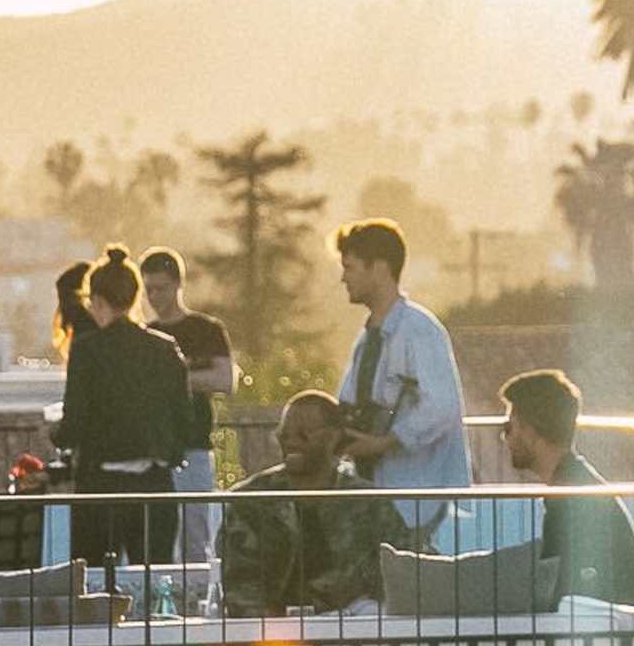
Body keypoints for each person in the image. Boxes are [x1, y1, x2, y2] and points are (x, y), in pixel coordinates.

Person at [331, 218, 466, 536]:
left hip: (414, 498)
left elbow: (442, 406)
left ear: (379, 268)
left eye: (350, 268)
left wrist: (385, 443)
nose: (343, 278)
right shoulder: (367, 339)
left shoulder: (419, 330)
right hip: (377, 494)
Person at [61, 246, 194, 566]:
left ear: (97, 301)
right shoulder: (164, 348)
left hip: (100, 486)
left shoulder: (87, 350)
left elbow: (74, 423)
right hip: (154, 483)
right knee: (154, 576)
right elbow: (185, 418)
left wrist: (56, 435)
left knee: (94, 577)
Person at [218, 391, 402, 615]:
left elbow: (400, 571)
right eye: (284, 435)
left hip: (353, 622)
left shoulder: (368, 502)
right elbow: (239, 586)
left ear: (334, 437)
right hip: (274, 627)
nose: (291, 442)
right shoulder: (251, 500)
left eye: (303, 434)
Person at [499, 366, 634, 606]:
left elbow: (560, 588)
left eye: (509, 427)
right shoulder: (575, 483)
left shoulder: (570, 498)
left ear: (531, 432)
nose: (505, 438)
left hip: (609, 623)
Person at [137, 247, 234, 561]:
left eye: (161, 288)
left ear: (178, 284)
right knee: (156, 539)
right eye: (149, 289)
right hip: (156, 450)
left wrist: (175, 380)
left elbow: (224, 380)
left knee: (196, 536)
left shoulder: (207, 330)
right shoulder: (146, 335)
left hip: (194, 445)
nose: (154, 297)